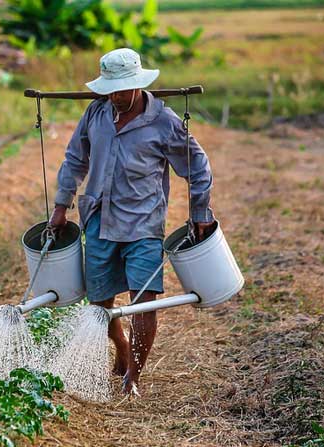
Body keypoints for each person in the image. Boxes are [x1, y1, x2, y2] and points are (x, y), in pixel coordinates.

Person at [49, 48, 216, 396]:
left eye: (122, 90)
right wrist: (61, 205)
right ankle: (121, 347)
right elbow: (74, 160)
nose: (116, 97)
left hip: (143, 225)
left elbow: (198, 167)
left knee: (144, 300)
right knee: (100, 304)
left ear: (139, 85)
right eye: (110, 89)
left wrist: (200, 212)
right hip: (99, 220)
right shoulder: (95, 113)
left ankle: (133, 379)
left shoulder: (164, 122)